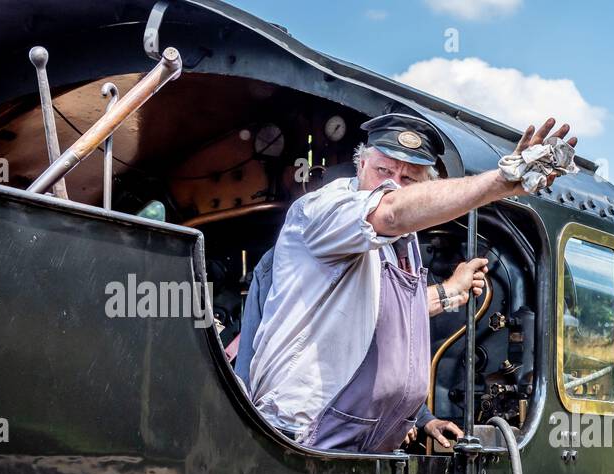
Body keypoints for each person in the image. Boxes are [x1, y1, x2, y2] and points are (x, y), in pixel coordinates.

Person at [247, 113, 577, 452]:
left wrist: (451, 293)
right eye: (384, 171)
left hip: (368, 442)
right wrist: (500, 184)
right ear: (361, 166)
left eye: (409, 178)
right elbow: (390, 211)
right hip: (305, 437)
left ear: (426, 186)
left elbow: (384, 311)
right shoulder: (325, 210)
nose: (393, 184)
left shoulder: (401, 244)